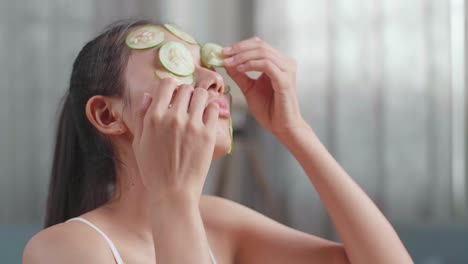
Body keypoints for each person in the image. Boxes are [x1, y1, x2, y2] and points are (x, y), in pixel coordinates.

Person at [22, 19, 413, 264]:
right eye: (173, 65)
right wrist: (172, 196)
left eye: (207, 68)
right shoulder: (62, 249)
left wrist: (294, 131)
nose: (215, 81)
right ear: (107, 115)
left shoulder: (219, 221)